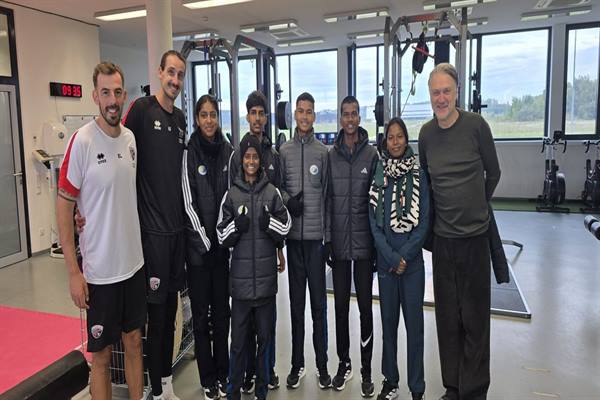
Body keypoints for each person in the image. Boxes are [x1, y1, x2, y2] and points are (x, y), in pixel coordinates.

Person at [57, 61, 145, 400]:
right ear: (95, 96)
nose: (112, 100)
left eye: (117, 92)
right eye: (105, 92)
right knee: (102, 356)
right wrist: (73, 271)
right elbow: (64, 205)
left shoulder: (130, 139)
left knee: (134, 342)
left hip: (133, 265)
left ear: (124, 96)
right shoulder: (81, 142)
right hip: (99, 273)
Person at [418, 63, 501, 400]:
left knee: (475, 321)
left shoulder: (476, 126)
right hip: (443, 242)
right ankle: (453, 387)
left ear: (456, 93)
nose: (441, 98)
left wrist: (476, 205)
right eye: (435, 92)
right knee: (448, 320)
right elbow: (426, 182)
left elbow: (494, 173)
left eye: (446, 91)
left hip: (475, 239)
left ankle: (474, 391)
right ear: (430, 95)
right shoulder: (426, 134)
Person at [123, 50, 188, 400]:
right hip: (153, 236)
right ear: (159, 72)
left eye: (180, 75)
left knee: (173, 312)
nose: (175, 80)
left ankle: (167, 383)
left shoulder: (180, 119)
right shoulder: (141, 111)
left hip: (177, 233)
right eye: (171, 73)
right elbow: (120, 157)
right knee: (157, 318)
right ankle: (156, 390)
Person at [216, 135, 291, 400]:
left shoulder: (272, 192)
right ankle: (233, 392)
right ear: (241, 160)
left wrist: (269, 223)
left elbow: (286, 226)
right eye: (247, 156)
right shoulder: (231, 194)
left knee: (264, 343)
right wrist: (236, 226)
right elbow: (221, 235)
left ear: (260, 160)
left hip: (266, 287)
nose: (251, 161)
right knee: (237, 345)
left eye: (255, 156)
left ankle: (261, 392)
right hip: (240, 288)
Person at [369, 117, 429, 400]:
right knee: (388, 325)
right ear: (385, 142)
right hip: (386, 264)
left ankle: (417, 387)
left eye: (399, 136)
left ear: (406, 139)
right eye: (390, 137)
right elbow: (373, 223)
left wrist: (404, 256)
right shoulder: (379, 174)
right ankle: (390, 381)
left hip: (413, 265)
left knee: (415, 328)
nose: (395, 142)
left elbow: (424, 221)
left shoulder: (418, 173)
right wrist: (392, 258)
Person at [229, 90, 285, 393]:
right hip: (242, 252)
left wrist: (279, 249)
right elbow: (232, 198)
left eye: (262, 113)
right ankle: (248, 373)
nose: (258, 118)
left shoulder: (273, 155)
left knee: (265, 325)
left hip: (266, 248)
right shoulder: (236, 154)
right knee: (244, 327)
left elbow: (277, 202)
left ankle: (266, 370)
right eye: (253, 112)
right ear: (247, 115)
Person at [325, 95, 378, 397]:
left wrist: (376, 245)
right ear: (340, 118)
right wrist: (328, 240)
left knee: (366, 310)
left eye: (354, 114)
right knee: (341, 308)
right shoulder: (331, 156)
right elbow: (328, 200)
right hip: (340, 247)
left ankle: (367, 369)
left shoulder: (371, 155)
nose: (349, 119)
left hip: (364, 247)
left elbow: (377, 203)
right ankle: (344, 364)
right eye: (345, 114)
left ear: (359, 117)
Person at [183, 94, 233, 400]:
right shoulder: (189, 153)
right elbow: (187, 202)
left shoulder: (228, 152)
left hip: (222, 251)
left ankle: (224, 373)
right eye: (204, 115)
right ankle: (208, 379)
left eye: (213, 114)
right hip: (199, 255)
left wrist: (221, 238)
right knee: (201, 319)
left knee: (222, 316)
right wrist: (205, 241)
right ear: (197, 118)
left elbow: (231, 198)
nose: (209, 120)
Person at [279, 92, 331, 389]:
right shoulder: (284, 151)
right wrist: (289, 200)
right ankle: (297, 365)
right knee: (296, 307)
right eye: (300, 111)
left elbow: (328, 196)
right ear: (294, 115)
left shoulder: (323, 152)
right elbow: (278, 189)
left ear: (314, 116)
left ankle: (322, 366)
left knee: (319, 307)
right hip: (293, 241)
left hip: (315, 242)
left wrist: (327, 238)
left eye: (309, 112)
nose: (304, 116)